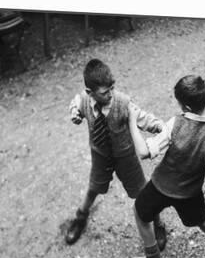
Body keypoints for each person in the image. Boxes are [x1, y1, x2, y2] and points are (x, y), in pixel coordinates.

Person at [128, 74, 205, 258]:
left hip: (161, 186)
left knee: (140, 213)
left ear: (185, 107)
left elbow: (144, 152)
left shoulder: (175, 124)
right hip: (189, 193)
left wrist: (133, 123)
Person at [65, 58, 167, 247]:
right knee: (93, 187)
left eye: (112, 87)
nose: (111, 93)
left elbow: (143, 118)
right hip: (100, 156)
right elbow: (76, 101)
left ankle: (158, 223)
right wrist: (74, 112)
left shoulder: (122, 103)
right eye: (105, 92)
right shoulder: (84, 100)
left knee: (142, 192)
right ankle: (81, 217)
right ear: (91, 93)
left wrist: (162, 127)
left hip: (125, 157)